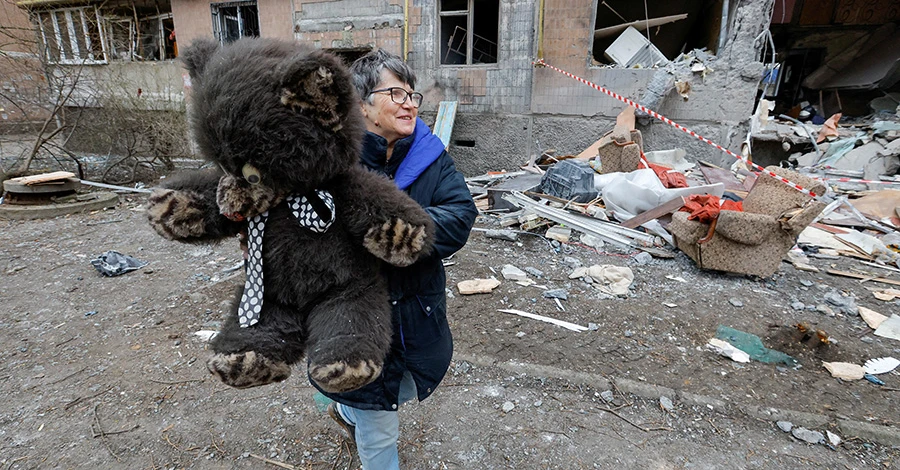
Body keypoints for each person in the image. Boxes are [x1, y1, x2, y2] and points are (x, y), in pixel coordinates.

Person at [312, 49, 477, 469]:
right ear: (363, 105)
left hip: (416, 307)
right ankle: (361, 419)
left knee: (397, 388)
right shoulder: (330, 164)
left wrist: (395, 232)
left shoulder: (429, 155)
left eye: (412, 95)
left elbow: (460, 213)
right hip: (354, 316)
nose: (409, 103)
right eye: (395, 93)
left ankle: (346, 411)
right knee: (379, 419)